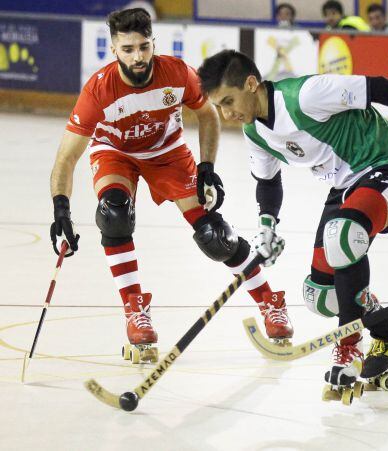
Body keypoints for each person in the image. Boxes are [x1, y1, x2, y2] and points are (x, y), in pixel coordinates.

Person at [196, 49, 388, 393]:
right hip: (344, 185)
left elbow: (378, 87)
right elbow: (267, 181)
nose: (226, 114)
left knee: (343, 238)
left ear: (251, 84)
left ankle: (348, 347)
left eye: (228, 101)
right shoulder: (255, 132)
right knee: (321, 294)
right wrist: (267, 227)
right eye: (219, 107)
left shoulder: (306, 95)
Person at [48, 8, 293, 363]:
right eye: (128, 49)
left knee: (216, 238)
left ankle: (270, 301)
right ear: (114, 48)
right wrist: (61, 209)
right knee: (114, 214)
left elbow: (207, 114)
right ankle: (135, 310)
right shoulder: (98, 90)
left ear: (153, 43)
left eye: (144, 47)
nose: (137, 57)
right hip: (116, 152)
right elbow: (65, 158)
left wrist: (207, 166)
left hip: (168, 152)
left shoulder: (177, 73)